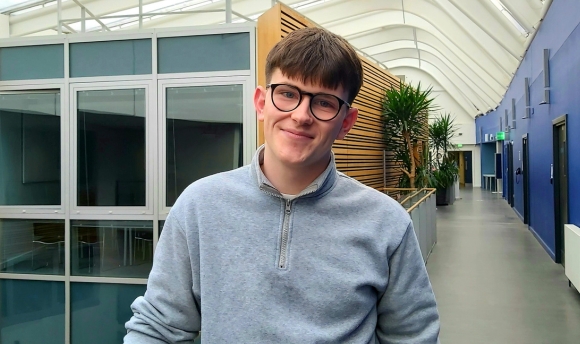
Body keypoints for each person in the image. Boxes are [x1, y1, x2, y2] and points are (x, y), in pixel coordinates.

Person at [124, 27, 440, 343]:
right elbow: (157, 328)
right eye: (287, 93)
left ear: (345, 122)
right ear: (262, 103)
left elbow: (412, 336)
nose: (301, 116)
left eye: (324, 102)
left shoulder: (385, 222)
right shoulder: (199, 205)